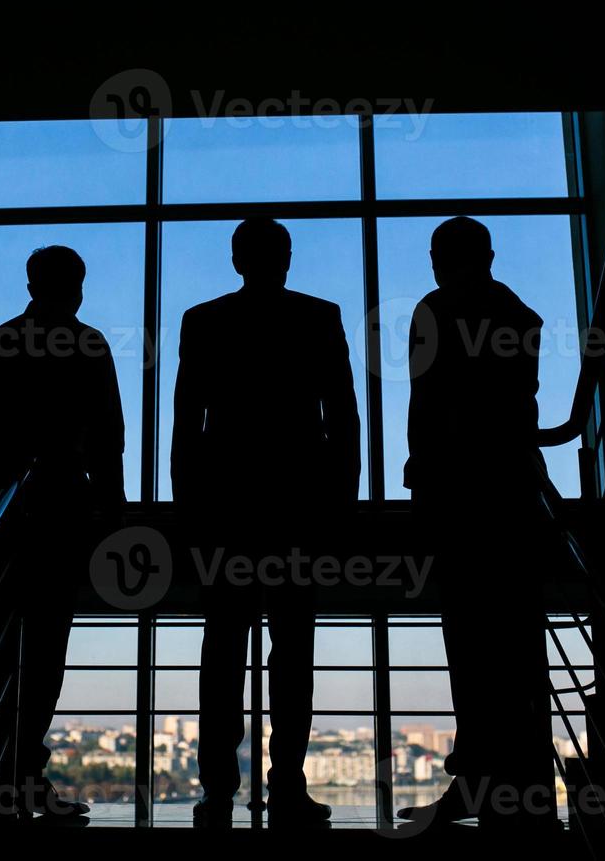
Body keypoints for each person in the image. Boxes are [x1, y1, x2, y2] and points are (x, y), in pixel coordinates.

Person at [172, 219, 360, 828]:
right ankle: (286, 783)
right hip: (298, 505)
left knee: (222, 650)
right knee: (294, 652)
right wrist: (342, 503)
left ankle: (218, 788)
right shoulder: (319, 317)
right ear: (287, 259)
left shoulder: (203, 322)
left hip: (226, 506)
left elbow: (186, 424)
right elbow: (343, 419)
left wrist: (187, 510)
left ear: (235, 260)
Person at [0, 245, 125, 819]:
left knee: (4, 644)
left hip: (5, 507)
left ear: (31, 283)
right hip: (62, 506)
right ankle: (24, 770)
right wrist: (112, 507)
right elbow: (108, 436)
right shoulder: (89, 344)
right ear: (77, 286)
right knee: (48, 645)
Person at [400, 217, 557, 836]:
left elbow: (424, 404)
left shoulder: (434, 311)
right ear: (489, 256)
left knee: (469, 644)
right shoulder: (521, 316)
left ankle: (477, 781)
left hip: (456, 497)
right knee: (516, 645)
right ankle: (521, 786)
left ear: (442, 260)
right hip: (510, 495)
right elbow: (522, 400)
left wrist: (423, 483)